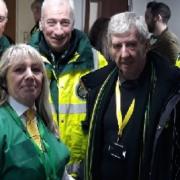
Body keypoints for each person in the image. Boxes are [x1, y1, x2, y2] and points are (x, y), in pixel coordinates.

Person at [81, 12, 180, 180]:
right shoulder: (98, 86)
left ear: (146, 45)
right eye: (117, 46)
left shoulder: (171, 89)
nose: (124, 54)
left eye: (131, 45)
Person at [28, 0, 107, 178]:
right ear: (40, 23)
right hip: (38, 170)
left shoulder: (96, 61)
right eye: (51, 22)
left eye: (65, 22)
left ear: (73, 23)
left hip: (83, 172)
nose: (58, 31)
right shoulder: (23, 61)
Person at [0, 44, 71, 179]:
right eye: (20, 70)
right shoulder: (2, 124)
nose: (30, 76)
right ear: (3, 80)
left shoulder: (44, 120)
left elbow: (61, 173)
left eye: (36, 70)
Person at [145, 1, 180, 65]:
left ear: (158, 18)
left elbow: (178, 67)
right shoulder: (152, 38)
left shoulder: (169, 40)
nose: (145, 21)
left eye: (147, 17)